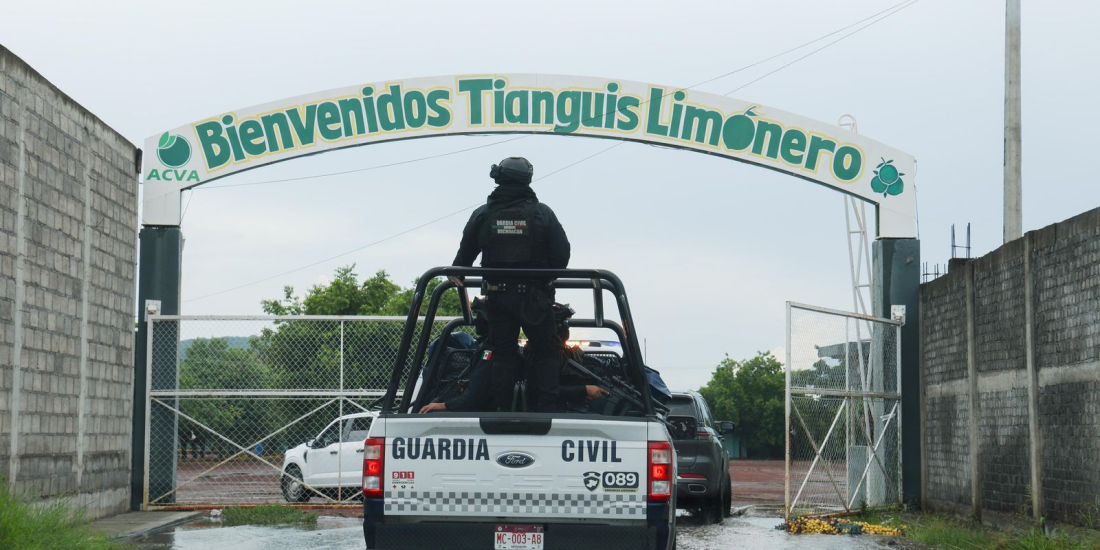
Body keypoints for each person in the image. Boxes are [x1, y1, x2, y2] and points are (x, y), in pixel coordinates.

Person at [444, 157, 570, 413]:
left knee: (502, 354)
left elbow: (462, 261)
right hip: (536, 299)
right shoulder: (543, 213)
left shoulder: (483, 214)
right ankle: (546, 411)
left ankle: (501, 409)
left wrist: (459, 274)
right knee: (547, 352)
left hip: (497, 300)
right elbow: (561, 256)